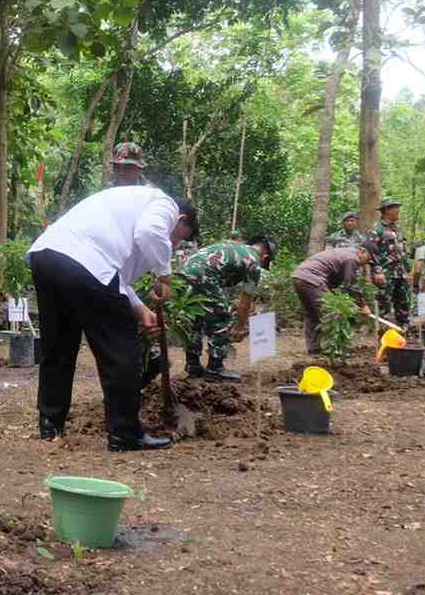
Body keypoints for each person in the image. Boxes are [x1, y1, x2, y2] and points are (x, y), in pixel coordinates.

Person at [27, 186, 199, 451]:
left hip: (47, 255)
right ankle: (124, 433)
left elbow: (113, 279)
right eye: (178, 239)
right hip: (85, 260)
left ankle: (50, 424)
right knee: (121, 349)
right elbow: (149, 232)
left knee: (58, 345)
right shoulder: (164, 204)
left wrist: (141, 310)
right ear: (181, 220)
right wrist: (165, 275)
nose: (173, 245)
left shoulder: (126, 209)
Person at [177, 235, 275, 383]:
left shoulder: (233, 246)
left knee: (195, 317)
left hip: (181, 273)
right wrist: (239, 327)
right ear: (265, 256)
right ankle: (215, 368)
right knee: (223, 316)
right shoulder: (253, 263)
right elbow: (245, 303)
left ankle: (193, 365)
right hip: (204, 276)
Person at [291, 242, 376, 355]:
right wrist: (363, 305)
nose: (366, 262)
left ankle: (314, 349)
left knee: (311, 313)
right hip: (312, 278)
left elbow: (334, 279)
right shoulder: (352, 258)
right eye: (368, 258)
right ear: (361, 250)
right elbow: (350, 285)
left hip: (299, 276)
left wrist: (337, 297)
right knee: (332, 313)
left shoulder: (344, 254)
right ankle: (337, 349)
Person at [371, 197, 411, 326]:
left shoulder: (398, 229)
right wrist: (377, 271)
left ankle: (403, 333)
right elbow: (370, 251)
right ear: (387, 210)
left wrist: (408, 271)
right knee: (384, 306)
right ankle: (384, 335)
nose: (398, 210)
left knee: (404, 304)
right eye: (396, 208)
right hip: (385, 273)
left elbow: (403, 251)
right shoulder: (377, 229)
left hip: (401, 273)